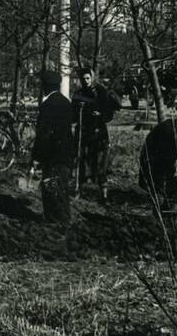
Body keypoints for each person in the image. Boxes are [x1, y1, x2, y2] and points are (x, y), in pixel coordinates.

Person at [30, 69, 76, 225]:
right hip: (65, 153)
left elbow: (43, 134)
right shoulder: (65, 102)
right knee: (61, 188)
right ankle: (63, 220)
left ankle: (55, 222)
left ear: (45, 86)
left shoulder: (48, 105)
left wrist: (36, 157)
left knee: (51, 187)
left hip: (52, 154)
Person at [71, 65, 122, 205]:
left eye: (88, 78)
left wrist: (100, 115)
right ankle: (78, 190)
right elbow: (73, 116)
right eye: (83, 79)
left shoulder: (101, 92)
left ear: (92, 78)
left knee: (100, 165)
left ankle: (104, 196)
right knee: (81, 161)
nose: (86, 81)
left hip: (99, 134)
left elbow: (109, 114)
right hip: (83, 133)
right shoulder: (78, 94)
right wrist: (76, 111)